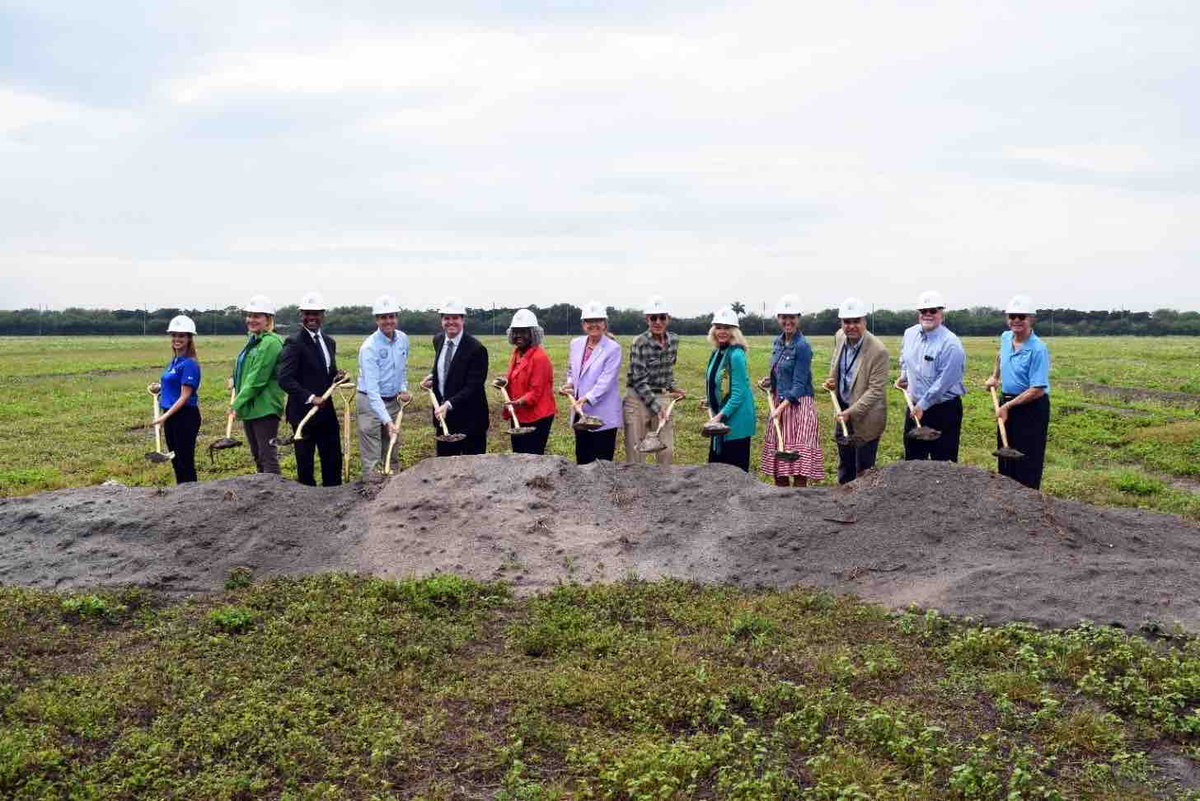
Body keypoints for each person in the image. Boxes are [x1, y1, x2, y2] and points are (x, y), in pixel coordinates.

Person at [985, 294, 1051, 489]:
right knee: (1006, 455)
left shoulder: (1038, 349)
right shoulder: (1006, 338)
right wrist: (995, 377)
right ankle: (1007, 501)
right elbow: (1000, 355)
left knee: (1027, 458)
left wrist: (1007, 406)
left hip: (1031, 408)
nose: (1016, 321)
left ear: (1031, 319)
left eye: (1021, 316)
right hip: (1007, 404)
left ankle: (1028, 502)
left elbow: (1037, 389)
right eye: (1012, 316)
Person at [278, 291, 343, 486]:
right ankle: (308, 504)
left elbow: (326, 372)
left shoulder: (329, 342)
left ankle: (333, 497)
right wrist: (311, 397)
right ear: (301, 315)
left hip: (326, 413)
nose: (312, 317)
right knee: (305, 465)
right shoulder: (294, 342)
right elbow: (284, 379)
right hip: (303, 414)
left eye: (316, 313)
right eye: (307, 313)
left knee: (332, 460)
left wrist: (336, 376)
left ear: (323, 315)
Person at [822, 297, 889, 484]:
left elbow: (875, 391)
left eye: (856, 321)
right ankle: (842, 500)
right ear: (841, 323)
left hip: (866, 416)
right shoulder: (840, 336)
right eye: (846, 322)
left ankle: (863, 508)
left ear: (864, 322)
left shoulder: (878, 351)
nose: (851, 326)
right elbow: (838, 365)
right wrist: (832, 381)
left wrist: (850, 413)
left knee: (864, 469)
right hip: (843, 407)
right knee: (845, 463)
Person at [759, 295, 823, 486]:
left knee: (798, 466)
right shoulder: (778, 343)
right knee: (779, 468)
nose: (788, 321)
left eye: (792, 317)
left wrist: (780, 408)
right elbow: (782, 373)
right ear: (778, 318)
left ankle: (799, 506)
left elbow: (800, 384)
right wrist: (770, 381)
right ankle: (782, 507)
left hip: (798, 406)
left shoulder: (803, 347)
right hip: (781, 403)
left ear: (798, 318)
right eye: (783, 317)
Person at [896, 290, 966, 462]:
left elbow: (944, 383)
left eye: (933, 311)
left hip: (943, 410)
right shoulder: (910, 334)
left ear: (942, 314)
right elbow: (904, 358)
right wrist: (904, 376)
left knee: (943, 462)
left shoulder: (951, 344)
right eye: (923, 311)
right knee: (913, 460)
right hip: (914, 407)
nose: (927, 314)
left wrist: (923, 405)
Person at [423, 297, 489, 456]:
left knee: (471, 470)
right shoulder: (438, 340)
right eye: (446, 318)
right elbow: (449, 369)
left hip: (471, 420)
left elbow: (473, 386)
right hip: (444, 419)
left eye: (455, 318)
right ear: (441, 321)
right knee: (444, 467)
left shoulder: (476, 349)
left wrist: (449, 404)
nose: (450, 322)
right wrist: (433, 377)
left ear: (463, 320)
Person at [623, 295, 684, 465]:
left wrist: (673, 388)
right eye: (653, 318)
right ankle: (636, 489)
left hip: (662, 397)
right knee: (637, 451)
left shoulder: (674, 340)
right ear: (647, 320)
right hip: (638, 399)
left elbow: (668, 370)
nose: (658, 322)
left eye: (662, 317)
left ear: (668, 319)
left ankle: (664, 487)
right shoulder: (640, 342)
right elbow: (638, 380)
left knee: (666, 450)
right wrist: (656, 407)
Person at [356, 294, 412, 476]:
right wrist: (387, 421)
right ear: (377, 320)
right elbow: (372, 391)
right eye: (383, 317)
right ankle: (372, 490)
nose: (388, 321)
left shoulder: (403, 339)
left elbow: (402, 369)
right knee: (372, 454)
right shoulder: (369, 348)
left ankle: (392, 489)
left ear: (396, 318)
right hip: (370, 402)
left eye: (391, 316)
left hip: (393, 401)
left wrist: (403, 388)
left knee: (392, 446)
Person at [231, 295, 285, 474]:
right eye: (249, 315)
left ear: (268, 319)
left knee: (267, 455)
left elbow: (257, 379)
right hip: (251, 406)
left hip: (265, 407)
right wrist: (234, 380)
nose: (251, 320)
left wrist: (236, 403)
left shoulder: (270, 343)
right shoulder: (254, 341)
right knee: (257, 454)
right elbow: (247, 370)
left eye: (257, 316)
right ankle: (263, 494)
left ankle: (274, 494)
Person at [563, 301, 622, 464]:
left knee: (601, 461)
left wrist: (587, 398)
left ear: (605, 324)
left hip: (603, 414)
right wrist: (570, 384)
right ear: (583, 324)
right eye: (589, 321)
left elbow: (606, 381)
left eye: (598, 320)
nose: (594, 324)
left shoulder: (613, 349)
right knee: (582, 457)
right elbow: (571, 370)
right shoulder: (575, 344)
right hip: (581, 414)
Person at [704, 306, 756, 472]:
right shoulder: (717, 353)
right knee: (717, 471)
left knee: (734, 473)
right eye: (718, 327)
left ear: (734, 331)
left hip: (736, 424)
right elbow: (718, 383)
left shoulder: (736, 355)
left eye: (727, 328)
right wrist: (710, 400)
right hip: (721, 420)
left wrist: (718, 417)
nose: (722, 331)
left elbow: (738, 394)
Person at [152, 315, 202, 484]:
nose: (176, 339)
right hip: (171, 415)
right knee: (175, 460)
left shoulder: (189, 364)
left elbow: (185, 395)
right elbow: (173, 383)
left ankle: (191, 495)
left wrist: (164, 417)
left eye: (181, 336)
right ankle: (181, 495)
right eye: (174, 335)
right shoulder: (174, 362)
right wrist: (160, 387)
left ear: (189, 338)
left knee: (185, 461)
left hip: (185, 416)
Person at [503, 309, 556, 455]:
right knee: (518, 454)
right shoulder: (517, 353)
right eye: (516, 331)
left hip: (537, 416)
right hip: (519, 413)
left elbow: (536, 391)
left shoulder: (539, 358)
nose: (518, 335)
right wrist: (503, 383)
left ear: (533, 334)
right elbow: (514, 378)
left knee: (532, 457)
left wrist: (518, 402)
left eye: (524, 332)